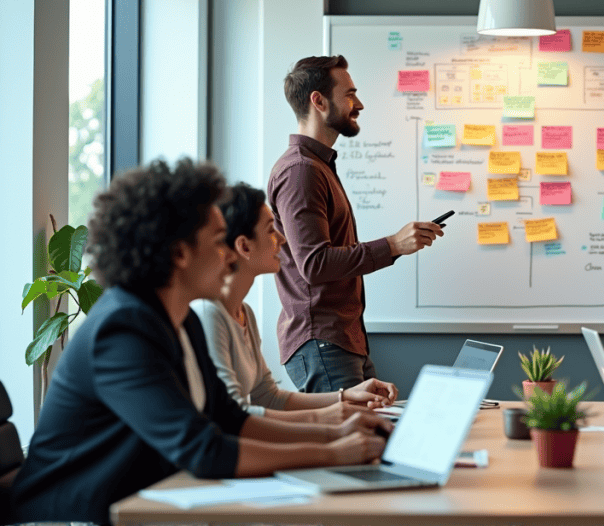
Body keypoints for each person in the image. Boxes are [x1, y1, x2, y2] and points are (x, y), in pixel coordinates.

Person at [10, 159, 393, 525]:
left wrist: (336, 433)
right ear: (179, 253)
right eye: (216, 241)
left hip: (134, 506)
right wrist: (330, 453)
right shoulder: (122, 329)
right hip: (68, 517)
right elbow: (203, 449)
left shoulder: (183, 318)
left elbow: (230, 419)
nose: (228, 255)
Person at [270, 55, 443, 392]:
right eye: (349, 94)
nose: (358, 103)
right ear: (318, 101)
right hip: (323, 342)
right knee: (352, 441)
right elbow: (315, 264)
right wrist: (393, 245)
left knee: (369, 435)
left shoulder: (316, 167)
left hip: (341, 341)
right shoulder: (301, 172)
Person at [192, 182, 399, 424]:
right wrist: (327, 420)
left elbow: (267, 397)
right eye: (271, 230)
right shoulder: (209, 314)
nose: (281, 238)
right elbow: (232, 417)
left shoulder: (244, 312)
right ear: (244, 246)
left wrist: (345, 397)